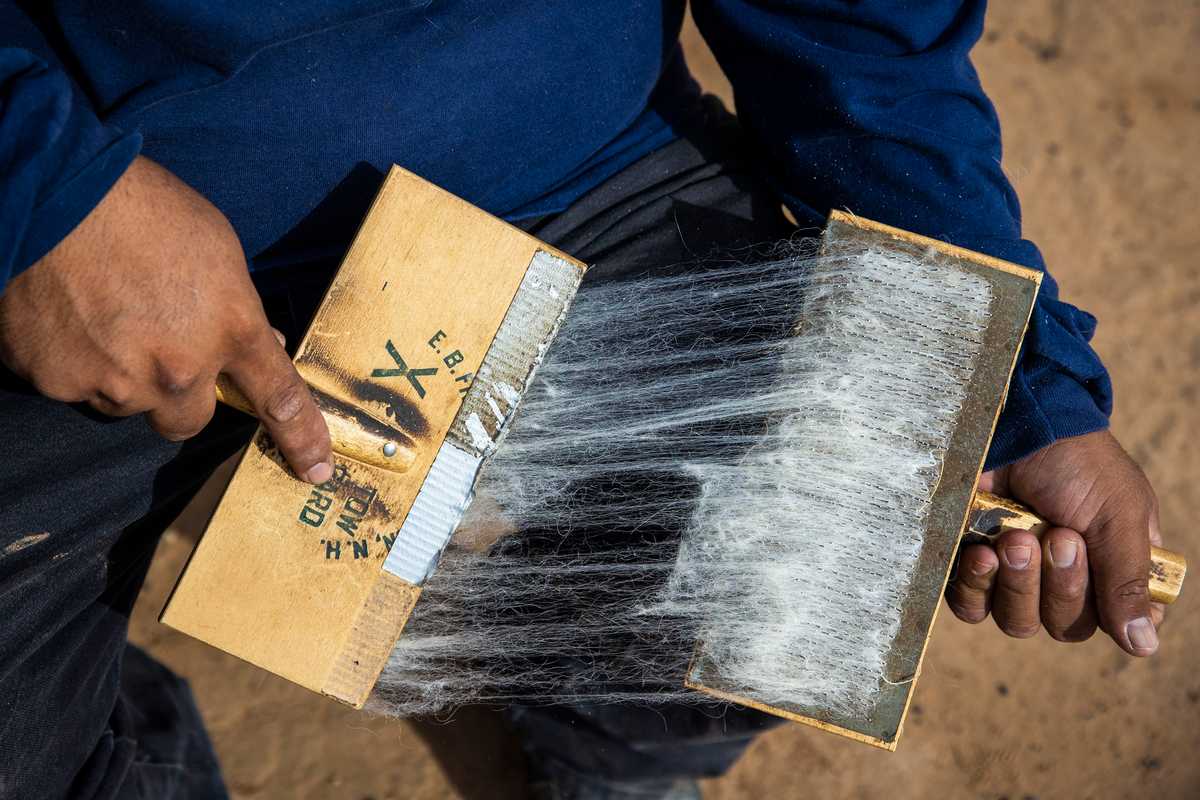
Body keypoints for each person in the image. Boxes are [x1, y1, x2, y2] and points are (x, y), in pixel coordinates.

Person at [0, 2, 1167, 798]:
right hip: (95, 209)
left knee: (836, 545)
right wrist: (40, 190)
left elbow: (857, 18)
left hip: (575, 154)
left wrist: (1011, 375)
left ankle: (597, 720)